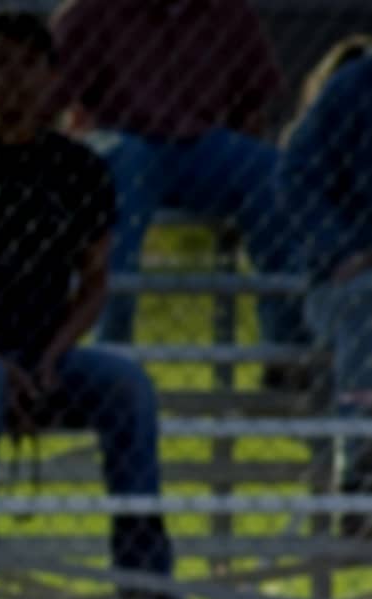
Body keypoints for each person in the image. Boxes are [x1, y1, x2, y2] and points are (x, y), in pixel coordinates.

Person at [0, 12, 194, 599]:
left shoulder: (80, 169)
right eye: (0, 64)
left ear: (55, 78)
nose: (16, 80)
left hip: (44, 354)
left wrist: (55, 353)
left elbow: (94, 283)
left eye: (32, 64)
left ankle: (144, 579)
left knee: (125, 383)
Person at [51, 0, 308, 355]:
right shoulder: (94, 9)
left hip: (200, 147)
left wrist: (243, 162)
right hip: (121, 142)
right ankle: (111, 349)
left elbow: (253, 108)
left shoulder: (229, 11)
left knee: (267, 167)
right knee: (129, 161)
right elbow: (50, 95)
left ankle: (287, 349)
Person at [280, 52, 372, 537]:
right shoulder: (354, 89)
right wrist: (341, 251)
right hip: (349, 286)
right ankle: (361, 471)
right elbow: (295, 178)